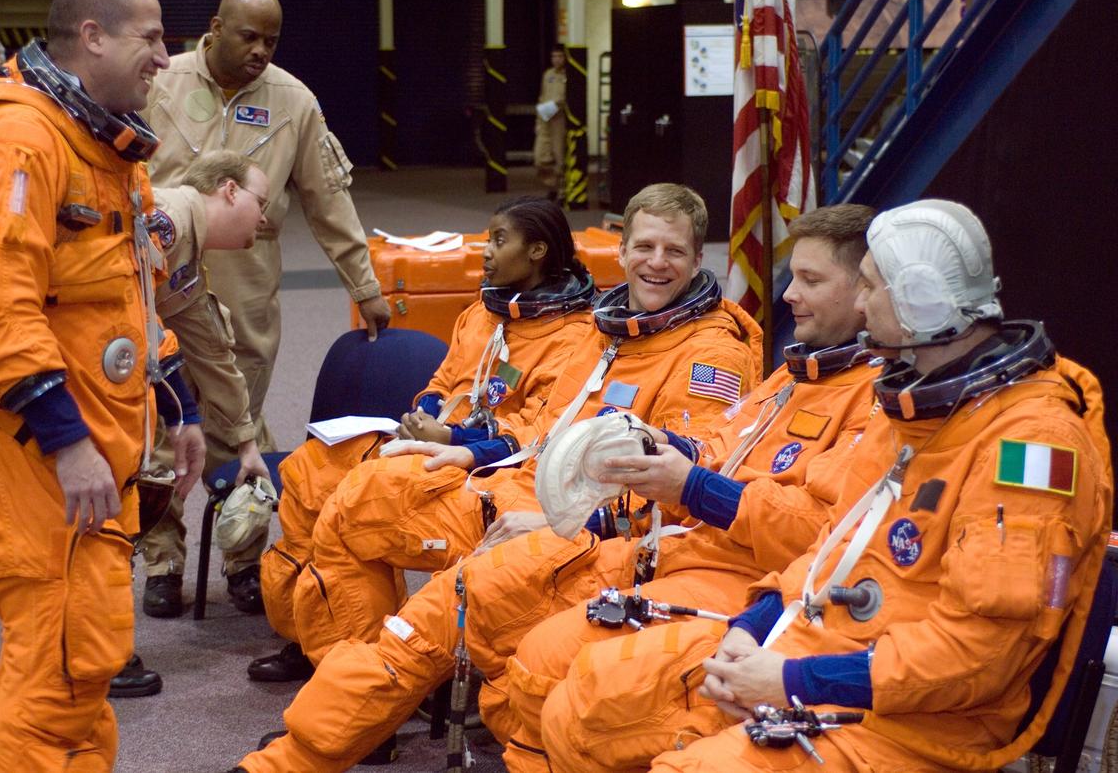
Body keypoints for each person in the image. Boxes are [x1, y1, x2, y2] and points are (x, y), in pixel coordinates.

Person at [539, 199, 1112, 773]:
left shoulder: (1031, 450)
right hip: (817, 653)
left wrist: (791, 678)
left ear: (919, 300)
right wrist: (754, 629)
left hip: (914, 725)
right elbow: (828, 551)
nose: (859, 305)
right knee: (580, 709)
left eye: (866, 287)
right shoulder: (912, 413)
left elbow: (978, 658)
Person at [226, 182, 765, 772]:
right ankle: (363, 714)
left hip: (597, 533)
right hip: (517, 488)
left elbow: (690, 482)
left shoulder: (712, 352)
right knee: (359, 502)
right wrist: (470, 453)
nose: (656, 263)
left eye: (674, 252)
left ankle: (304, 752)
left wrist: (561, 515)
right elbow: (540, 424)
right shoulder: (604, 329)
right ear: (623, 248)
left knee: (436, 612)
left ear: (697, 260)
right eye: (644, 247)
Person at [495, 203, 879, 770]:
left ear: (869, 290)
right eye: (792, 275)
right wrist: (667, 447)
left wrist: (693, 486)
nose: (788, 295)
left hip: (747, 577)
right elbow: (722, 446)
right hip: (687, 547)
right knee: (531, 662)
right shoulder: (794, 375)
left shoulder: (872, 402)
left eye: (811, 280)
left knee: (574, 695)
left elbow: (819, 538)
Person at [0, 0, 206, 772]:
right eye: (150, 37)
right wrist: (66, 441)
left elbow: (128, 300)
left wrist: (181, 408)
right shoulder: (15, 143)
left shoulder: (105, 147)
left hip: (102, 454)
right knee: (56, 676)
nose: (166, 56)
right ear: (93, 36)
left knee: (84, 672)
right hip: (40, 460)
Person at [250, 195, 598, 683]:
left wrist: (452, 436)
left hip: (492, 469)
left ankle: (365, 675)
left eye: (500, 240)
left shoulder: (575, 335)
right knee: (312, 473)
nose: (487, 251)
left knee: (360, 504)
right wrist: (425, 415)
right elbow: (444, 379)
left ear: (538, 251)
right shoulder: (481, 312)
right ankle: (311, 641)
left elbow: (540, 432)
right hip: (436, 441)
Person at [140, 0, 392, 618]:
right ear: (215, 27)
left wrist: (363, 285)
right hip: (162, 268)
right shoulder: (159, 80)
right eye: (248, 36)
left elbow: (328, 198)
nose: (260, 50)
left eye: (271, 40)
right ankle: (163, 558)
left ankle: (244, 557)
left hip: (246, 278)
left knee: (238, 416)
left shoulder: (292, 100)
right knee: (163, 420)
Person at [110, 149, 274, 698]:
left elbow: (212, 351)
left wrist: (246, 442)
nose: (265, 219)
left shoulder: (185, 249)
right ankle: (93, 650)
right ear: (228, 190)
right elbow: (127, 323)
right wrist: (185, 411)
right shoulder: (167, 221)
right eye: (260, 202)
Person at [533, 45, 567, 201]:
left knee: (559, 156)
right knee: (540, 157)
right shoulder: (548, 74)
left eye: (559, 56)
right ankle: (551, 184)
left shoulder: (567, 75)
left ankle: (561, 191)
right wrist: (538, 121)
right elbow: (542, 97)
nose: (556, 59)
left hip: (559, 120)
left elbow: (563, 100)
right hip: (545, 118)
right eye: (554, 56)